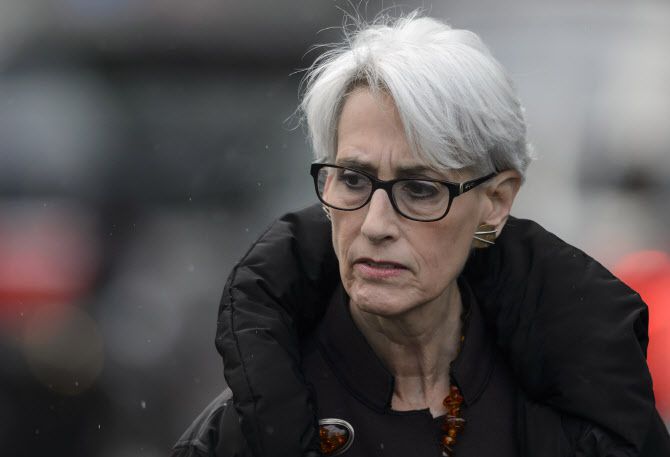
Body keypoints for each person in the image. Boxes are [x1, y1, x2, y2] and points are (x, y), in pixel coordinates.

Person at [172, 12, 670, 457]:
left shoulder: (580, 423)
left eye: (420, 189)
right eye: (353, 180)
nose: (375, 225)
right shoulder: (243, 433)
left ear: (496, 201)